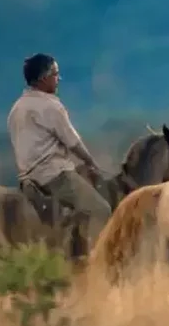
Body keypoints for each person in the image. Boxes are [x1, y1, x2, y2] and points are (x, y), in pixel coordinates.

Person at [6, 53, 112, 246]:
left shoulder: (16, 108)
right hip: (54, 175)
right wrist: (91, 162)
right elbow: (73, 142)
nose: (58, 79)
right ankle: (97, 260)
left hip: (26, 179)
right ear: (43, 78)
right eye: (55, 74)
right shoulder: (50, 106)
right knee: (100, 209)